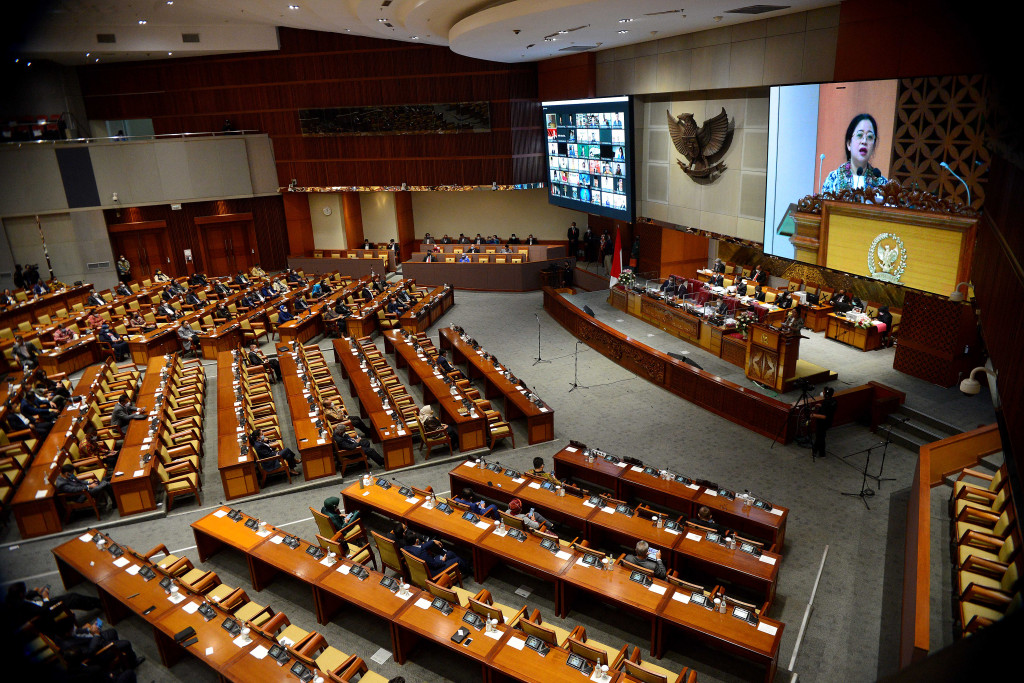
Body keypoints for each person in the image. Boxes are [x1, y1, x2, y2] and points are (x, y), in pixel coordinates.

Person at [822, 113, 889, 194]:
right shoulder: (833, 180)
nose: (864, 141)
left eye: (870, 137)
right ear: (849, 144)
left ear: (873, 146)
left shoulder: (882, 185)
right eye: (860, 135)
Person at [810, 386, 838, 459]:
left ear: (826, 394)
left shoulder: (826, 402)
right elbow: (829, 409)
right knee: (821, 437)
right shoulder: (834, 400)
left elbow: (824, 416)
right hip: (829, 422)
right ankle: (820, 453)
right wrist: (821, 406)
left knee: (819, 438)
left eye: (824, 392)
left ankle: (817, 453)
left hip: (822, 423)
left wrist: (814, 415)